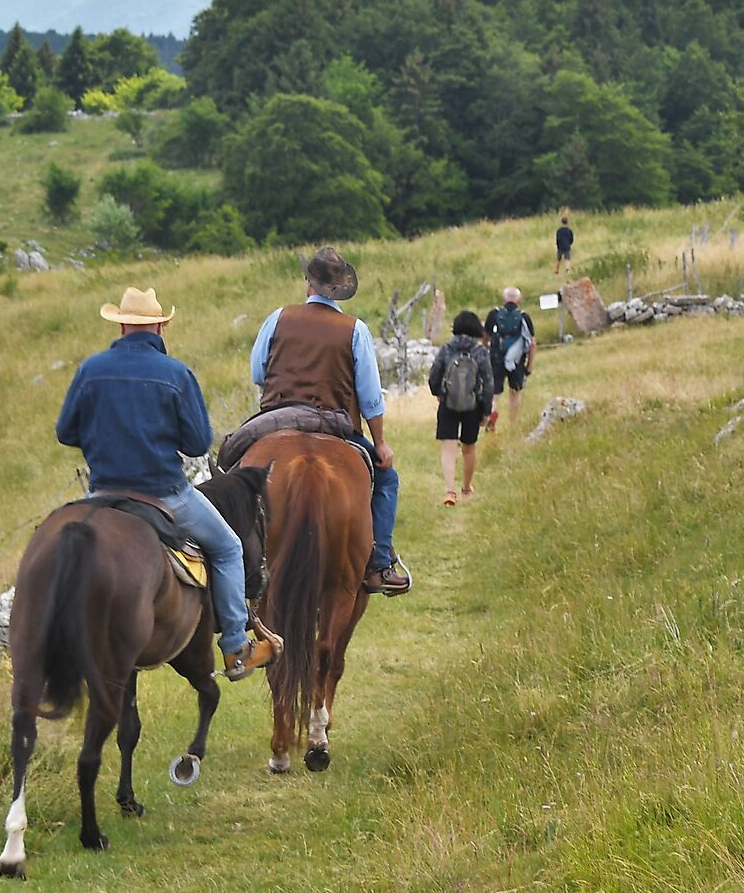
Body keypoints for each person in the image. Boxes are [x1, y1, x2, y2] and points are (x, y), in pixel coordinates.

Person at [56, 285, 274, 679]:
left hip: (102, 493)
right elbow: (197, 444)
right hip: (165, 495)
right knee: (228, 548)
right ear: (159, 327)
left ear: (121, 326)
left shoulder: (90, 370)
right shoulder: (176, 373)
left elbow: (65, 432)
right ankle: (235, 648)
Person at [248, 247, 410, 595]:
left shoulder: (278, 318)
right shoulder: (355, 330)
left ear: (309, 283)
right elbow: (370, 397)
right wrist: (380, 444)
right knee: (386, 479)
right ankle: (379, 564)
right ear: (338, 290)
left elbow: (257, 373)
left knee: (231, 466)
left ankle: (231, 564)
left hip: (275, 419)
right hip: (333, 423)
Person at [427, 309, 497, 504]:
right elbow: (488, 382)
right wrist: (486, 411)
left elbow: (434, 376)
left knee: (448, 449)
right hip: (473, 406)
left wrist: (439, 394)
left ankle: (450, 492)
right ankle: (466, 488)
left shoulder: (446, 348)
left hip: (448, 404)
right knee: (469, 448)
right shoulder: (480, 351)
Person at [482, 287, 535, 434]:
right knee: (515, 392)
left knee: (494, 393)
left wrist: (486, 350)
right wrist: (529, 366)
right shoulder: (524, 317)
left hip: (496, 359)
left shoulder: (494, 314)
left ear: (504, 299)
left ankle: (492, 414)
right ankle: (513, 424)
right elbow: (532, 343)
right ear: (519, 300)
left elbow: (485, 336)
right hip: (517, 360)